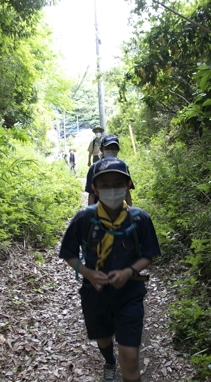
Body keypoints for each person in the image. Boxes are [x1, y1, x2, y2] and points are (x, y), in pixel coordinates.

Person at [59, 158, 161, 382]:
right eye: (105, 185)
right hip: (94, 294)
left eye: (118, 183)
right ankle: (108, 360)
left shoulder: (140, 219)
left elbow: (149, 254)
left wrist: (128, 272)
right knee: (103, 339)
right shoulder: (84, 219)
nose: (112, 189)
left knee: (131, 357)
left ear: (128, 186)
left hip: (130, 294)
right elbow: (68, 253)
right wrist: (88, 273)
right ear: (95, 188)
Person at [86, 134, 134, 206]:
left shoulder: (122, 166)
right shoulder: (94, 168)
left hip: (121, 208)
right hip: (99, 209)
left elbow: (127, 192)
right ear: (101, 149)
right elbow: (91, 194)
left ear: (118, 149)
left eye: (114, 147)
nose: (111, 150)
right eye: (108, 147)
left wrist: (130, 211)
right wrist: (91, 214)